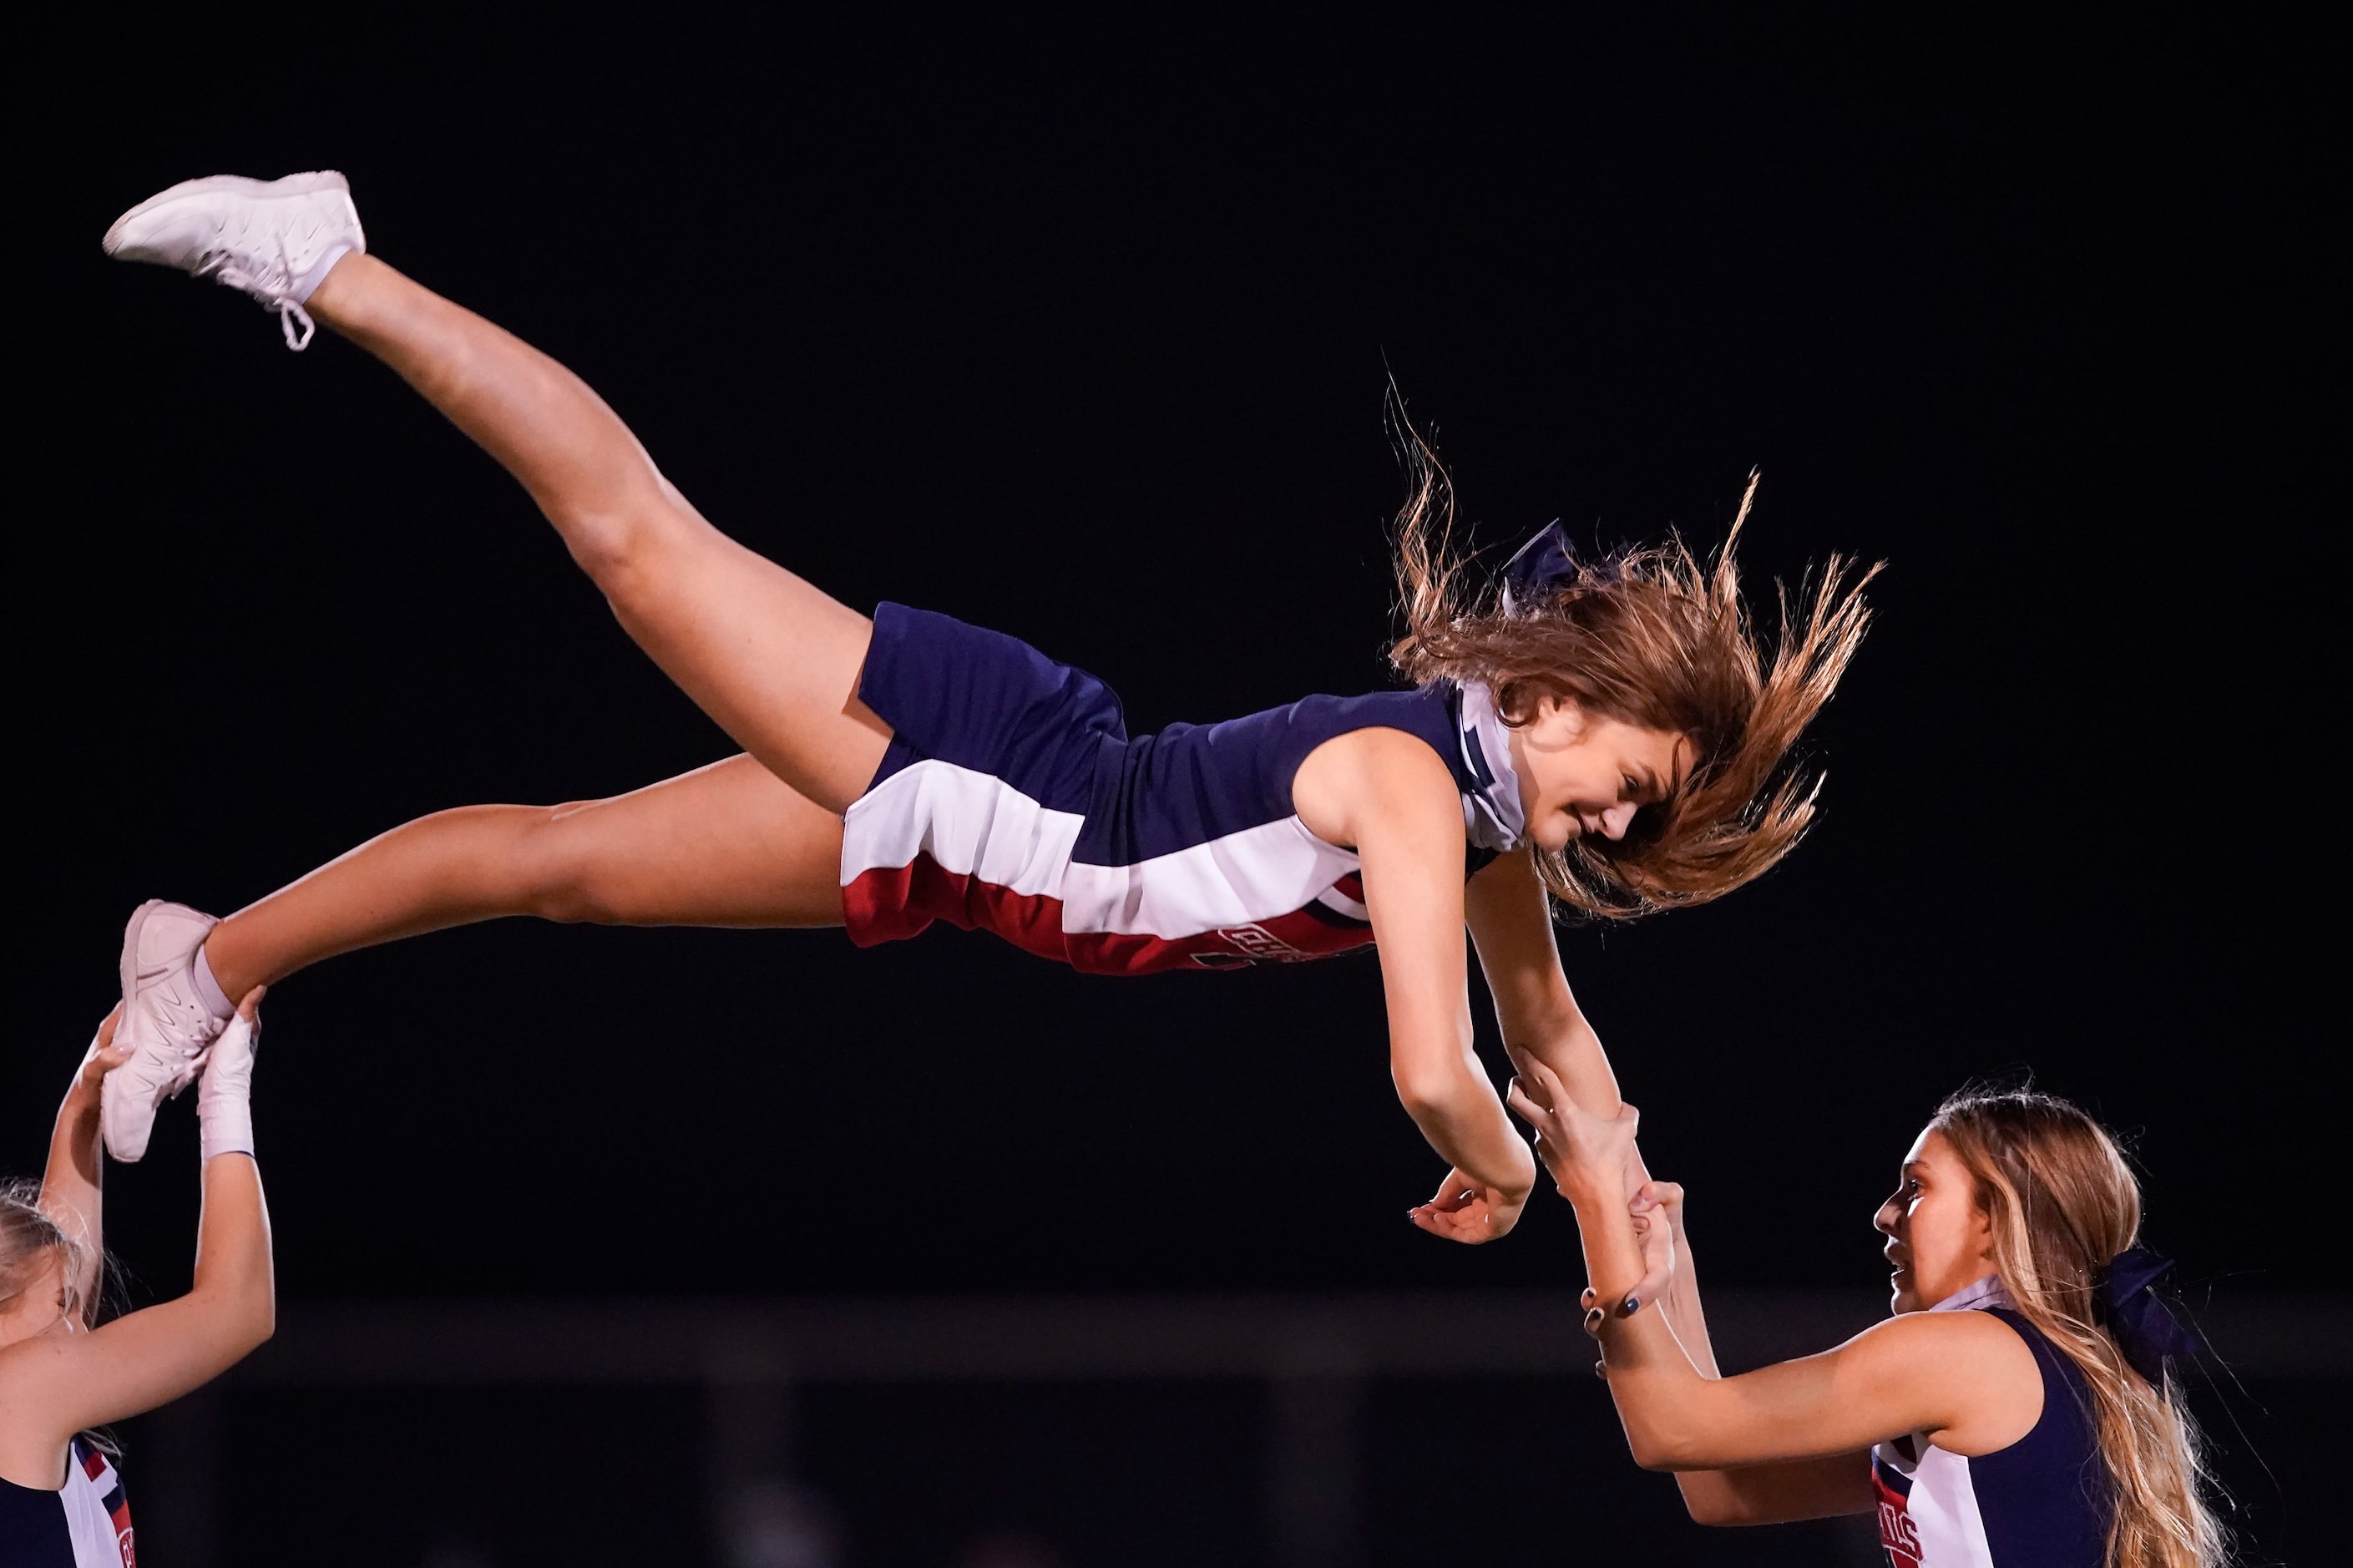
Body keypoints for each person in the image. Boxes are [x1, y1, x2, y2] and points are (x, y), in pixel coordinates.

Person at [95, 172, 1871, 1245]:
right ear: (1550, 698)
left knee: (557, 869)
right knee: (635, 541)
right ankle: (330, 259)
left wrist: (1617, 1193)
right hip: (996, 772)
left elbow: (1552, 1046)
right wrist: (1491, 1170)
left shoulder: (1478, 831)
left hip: (979, 861)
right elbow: (1440, 1065)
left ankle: (211, 959)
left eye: (1638, 828)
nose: (1616, 833)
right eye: (1627, 787)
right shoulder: (1414, 792)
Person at [1508, 1065, 2224, 1566]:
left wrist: (1597, 1199)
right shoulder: (2030, 1362)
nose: (1885, 1214)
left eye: (1915, 1189)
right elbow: (1723, 1487)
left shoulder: (1971, 1353)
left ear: (1994, 1221)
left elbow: (1673, 1430)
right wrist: (1673, 1257)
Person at [0, 993, 273, 1565]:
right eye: (65, 1308)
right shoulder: (16, 1395)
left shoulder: (26, 1401)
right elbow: (240, 1308)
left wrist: (84, 1104)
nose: (83, 1326)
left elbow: (65, 1255)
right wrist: (224, 1099)